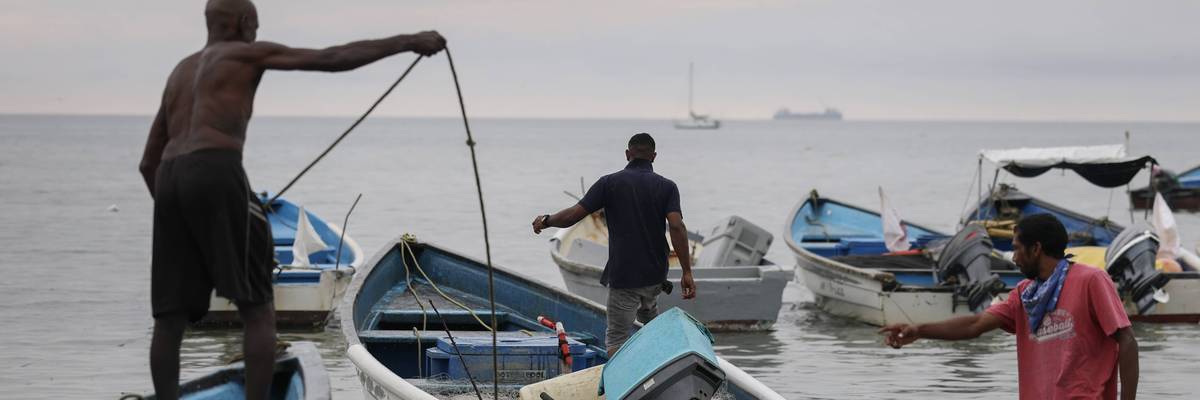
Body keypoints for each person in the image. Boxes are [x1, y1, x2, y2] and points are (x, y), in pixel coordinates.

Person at [136, 1, 445, 399]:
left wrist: (187, 222)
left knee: (170, 318)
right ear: (245, 23)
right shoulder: (248, 52)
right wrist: (408, 41)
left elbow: (147, 162)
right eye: (256, 24)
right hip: (216, 168)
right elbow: (332, 58)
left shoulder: (180, 71)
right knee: (257, 305)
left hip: (168, 179)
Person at [879, 214, 1139, 400]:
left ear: (1036, 248)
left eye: (1016, 249)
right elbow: (975, 324)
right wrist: (919, 330)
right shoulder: (1025, 294)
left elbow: (1126, 340)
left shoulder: (1091, 280)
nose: (1013, 257)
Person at [531, 133, 697, 357]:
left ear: (628, 154)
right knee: (650, 322)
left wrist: (546, 220)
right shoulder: (667, 187)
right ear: (654, 157)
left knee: (617, 339)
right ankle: (661, 364)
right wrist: (687, 271)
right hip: (655, 275)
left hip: (625, 275)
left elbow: (572, 216)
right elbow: (677, 227)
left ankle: (621, 388)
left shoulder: (608, 183)